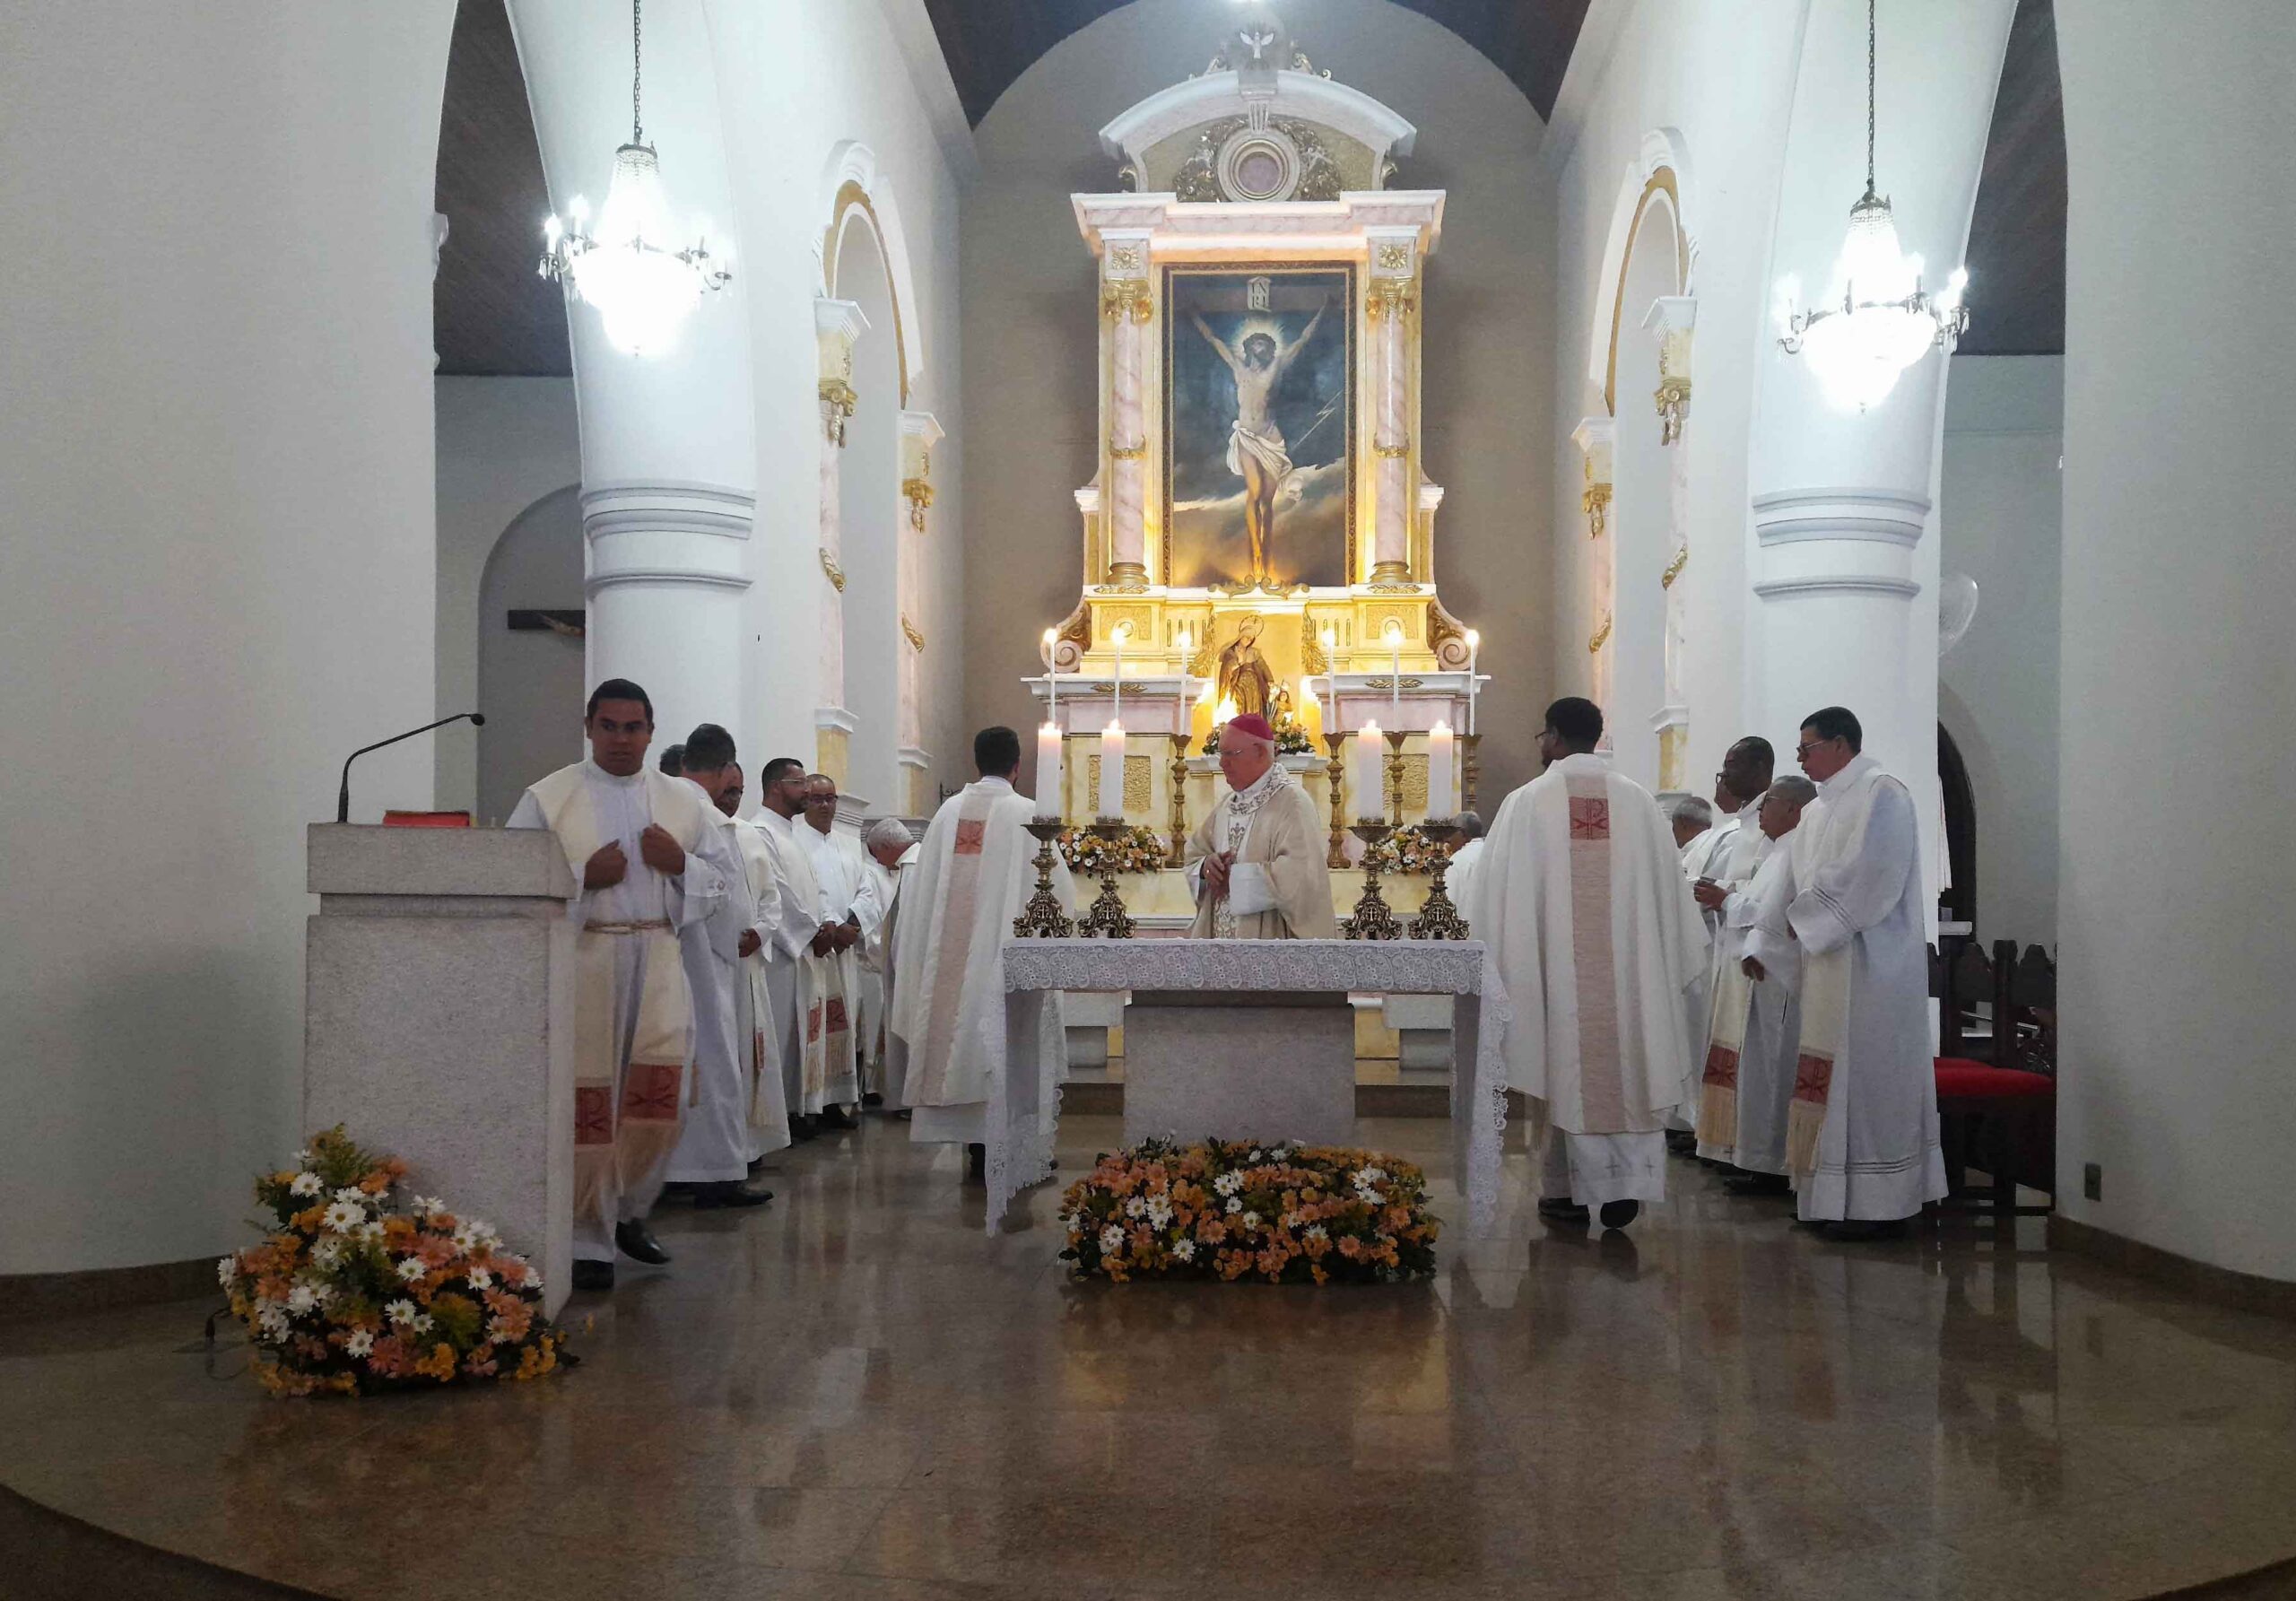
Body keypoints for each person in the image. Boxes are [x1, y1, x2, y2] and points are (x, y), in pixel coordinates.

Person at [506, 679, 735, 1292]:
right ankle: (587, 1238)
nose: (621, 738)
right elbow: (515, 883)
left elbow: (724, 881)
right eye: (609, 725)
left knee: (658, 1097)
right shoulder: (549, 797)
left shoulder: (683, 801)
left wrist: (680, 864)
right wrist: (584, 876)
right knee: (589, 1104)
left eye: (633, 727)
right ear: (588, 726)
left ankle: (630, 1208)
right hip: (585, 956)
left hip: (658, 953)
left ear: (651, 732)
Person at [1462, 697, 1709, 1231]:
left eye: (1541, 737)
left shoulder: (1527, 802)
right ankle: (1625, 1188)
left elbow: (1493, 896)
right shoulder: (1641, 803)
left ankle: (1568, 1192)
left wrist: (1513, 964)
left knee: (1562, 1061)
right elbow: (1673, 896)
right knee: (1631, 1060)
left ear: (1553, 736)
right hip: (1629, 983)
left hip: (1559, 982)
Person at [1779, 707, 1948, 1238]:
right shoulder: (1817, 811)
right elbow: (1794, 879)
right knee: (1827, 1081)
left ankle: (1877, 1205)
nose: (1802, 758)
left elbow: (1872, 876)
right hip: (1828, 961)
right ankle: (1826, 1195)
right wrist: (1783, 920)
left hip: (1873, 968)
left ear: (1840, 744)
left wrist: (1805, 917)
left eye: (1807, 748)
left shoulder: (1883, 794)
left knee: (1869, 1084)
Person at [891, 727, 1075, 1178]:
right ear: (1017, 766)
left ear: (977, 762)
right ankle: (1014, 1146)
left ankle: (977, 1146)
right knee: (1012, 1042)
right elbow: (1060, 898)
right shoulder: (1030, 815)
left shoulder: (947, 814)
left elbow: (922, 894)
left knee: (964, 1037)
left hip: (954, 971)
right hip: (1012, 964)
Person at [661, 726, 773, 1210]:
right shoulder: (706, 816)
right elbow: (722, 893)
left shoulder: (657, 802)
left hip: (658, 958)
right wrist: (737, 939)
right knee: (716, 1064)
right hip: (704, 962)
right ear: (727, 769)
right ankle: (717, 1174)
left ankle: (670, 1170)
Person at [1694, 775, 1819, 1190]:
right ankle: (1754, 1156)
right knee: (1757, 1072)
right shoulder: (1778, 851)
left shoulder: (1798, 850)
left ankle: (1770, 1162)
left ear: (1793, 809)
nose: (1761, 811)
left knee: (1773, 1071)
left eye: (1770, 803)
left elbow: (1779, 913)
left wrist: (1727, 900)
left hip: (1779, 979)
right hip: (1758, 974)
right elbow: (1763, 906)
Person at [1189, 300, 1327, 586]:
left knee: (1267, 501)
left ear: (1271, 350)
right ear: (1250, 347)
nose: (1262, 348)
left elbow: (1302, 340)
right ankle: (1254, 559)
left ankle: (1265, 561)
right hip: (1246, 438)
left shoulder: (1275, 367)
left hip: (1270, 437)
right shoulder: (1239, 369)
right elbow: (1214, 341)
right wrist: (1194, 316)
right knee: (1254, 493)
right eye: (1258, 344)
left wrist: (1323, 309)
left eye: (1267, 344)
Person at [1183, 712, 1338, 939]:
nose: (1223, 763)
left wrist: (1236, 878)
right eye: (1221, 754)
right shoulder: (1227, 805)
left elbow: (1302, 875)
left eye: (1230, 754)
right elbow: (1195, 854)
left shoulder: (1292, 802)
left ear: (1260, 752)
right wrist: (1207, 867)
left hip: (1270, 943)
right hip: (1218, 946)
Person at [709, 762, 794, 1168]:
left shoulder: (748, 836)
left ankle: (748, 1145)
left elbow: (771, 898)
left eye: (738, 792)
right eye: (727, 791)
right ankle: (721, 1153)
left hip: (748, 966)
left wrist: (760, 932)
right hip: (709, 969)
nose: (732, 799)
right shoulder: (698, 831)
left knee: (749, 1055)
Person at [751, 756, 832, 1142]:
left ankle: (800, 1110)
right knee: (782, 1035)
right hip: (783, 956)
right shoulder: (760, 832)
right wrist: (808, 934)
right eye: (799, 783)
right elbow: (776, 891)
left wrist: (820, 929)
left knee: (800, 1034)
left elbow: (810, 891)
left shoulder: (789, 834)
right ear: (775, 787)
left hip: (803, 952)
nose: (807, 791)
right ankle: (780, 1116)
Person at [796, 774, 866, 1130]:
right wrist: (832, 925)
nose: (826, 805)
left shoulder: (850, 843)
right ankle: (811, 1107)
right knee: (816, 1029)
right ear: (804, 800)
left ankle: (838, 1103)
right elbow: (808, 891)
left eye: (831, 798)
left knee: (845, 1028)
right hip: (816, 950)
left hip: (845, 951)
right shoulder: (794, 840)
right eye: (817, 798)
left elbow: (869, 889)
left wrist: (854, 923)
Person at [856, 818, 915, 1108]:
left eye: (877, 854)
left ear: (887, 847)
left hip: (907, 972)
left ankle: (907, 1099)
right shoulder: (913, 866)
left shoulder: (913, 869)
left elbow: (906, 929)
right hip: (900, 967)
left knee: (905, 1034)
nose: (879, 862)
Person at [1215, 613, 1277, 720]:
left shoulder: (1254, 652)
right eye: (1247, 637)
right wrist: (1238, 662)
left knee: (1255, 707)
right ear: (1241, 636)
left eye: (1251, 639)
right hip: (1239, 684)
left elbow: (1263, 666)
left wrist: (1270, 679)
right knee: (1239, 706)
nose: (1248, 640)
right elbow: (1227, 668)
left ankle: (1254, 728)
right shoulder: (1231, 651)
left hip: (1254, 685)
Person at [1446, 810, 1487, 915]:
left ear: (1463, 833)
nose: (1449, 839)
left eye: (1452, 834)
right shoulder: (1492, 853)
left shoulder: (1456, 861)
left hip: (1465, 927)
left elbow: (1448, 903)